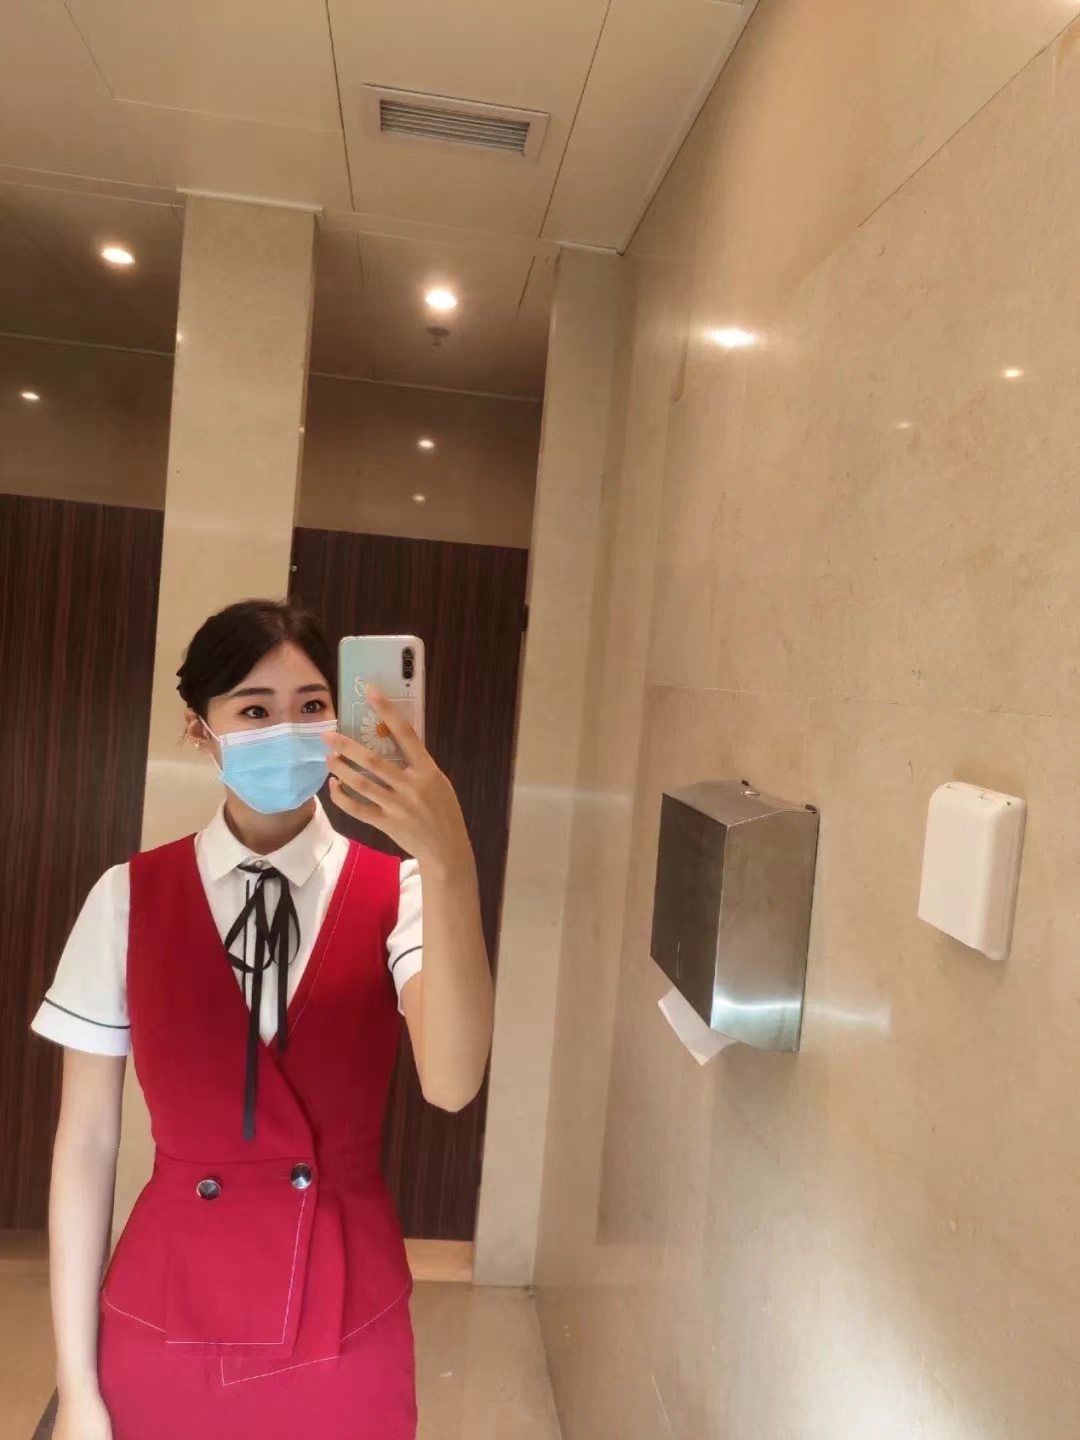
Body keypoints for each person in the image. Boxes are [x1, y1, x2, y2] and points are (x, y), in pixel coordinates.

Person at [31, 599, 494, 1440]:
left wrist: (449, 859)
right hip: (165, 1314)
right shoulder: (127, 899)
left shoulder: (401, 892)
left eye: (312, 706)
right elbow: (87, 1143)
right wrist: (77, 1385)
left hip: (345, 1319)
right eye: (254, 710)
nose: (288, 730)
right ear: (199, 730)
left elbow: (454, 1084)